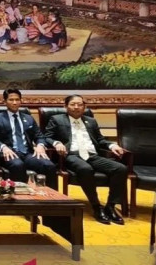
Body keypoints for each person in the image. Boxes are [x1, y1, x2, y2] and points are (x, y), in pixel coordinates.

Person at [44, 95, 127, 225]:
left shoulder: (91, 121)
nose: (76, 107)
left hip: (92, 155)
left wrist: (112, 145)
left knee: (120, 168)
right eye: (72, 104)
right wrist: (56, 143)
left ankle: (110, 206)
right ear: (65, 106)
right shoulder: (57, 119)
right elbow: (47, 137)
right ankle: (96, 206)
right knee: (85, 169)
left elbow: (100, 139)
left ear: (84, 107)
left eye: (79, 104)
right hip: (71, 155)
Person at [0, 89, 57, 191]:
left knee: (49, 165)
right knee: (18, 165)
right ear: (4, 102)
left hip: (28, 153)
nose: (14, 102)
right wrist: (3, 147)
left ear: (21, 101)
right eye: (11, 99)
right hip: (9, 153)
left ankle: (53, 198)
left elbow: (39, 136)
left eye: (17, 99)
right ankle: (20, 198)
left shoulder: (29, 118)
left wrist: (40, 145)